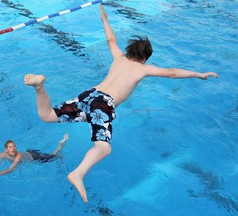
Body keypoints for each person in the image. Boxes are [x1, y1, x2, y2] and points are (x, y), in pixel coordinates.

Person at [24, 4, 218, 203]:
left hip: (89, 95)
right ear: (144, 58)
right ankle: (78, 173)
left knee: (46, 116)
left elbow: (110, 39)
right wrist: (199, 74)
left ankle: (39, 87)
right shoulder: (142, 69)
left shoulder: (118, 57)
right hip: (103, 104)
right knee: (104, 148)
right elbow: (172, 72)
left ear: (129, 51)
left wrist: (105, 19)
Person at [0, 133, 69, 180]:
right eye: (10, 147)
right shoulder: (2, 154)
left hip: (34, 156)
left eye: (14, 146)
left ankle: (60, 146)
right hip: (28, 152)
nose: (13, 149)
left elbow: (11, 169)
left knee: (53, 156)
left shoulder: (18, 155)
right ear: (6, 150)